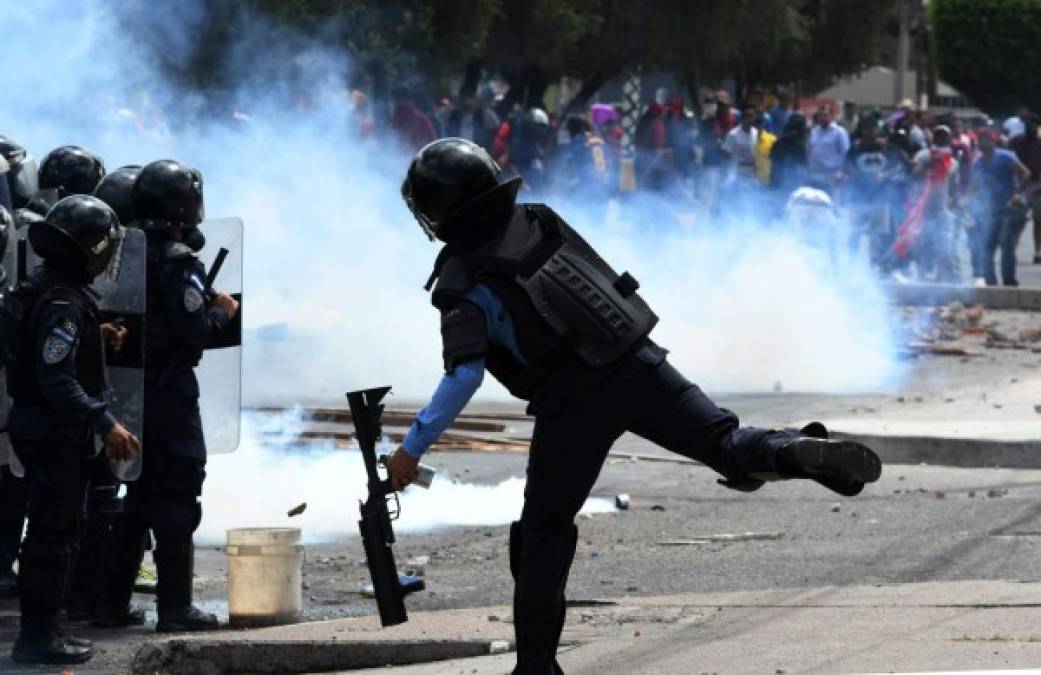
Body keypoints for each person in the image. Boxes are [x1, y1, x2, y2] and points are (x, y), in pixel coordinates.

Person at [394, 137, 883, 675]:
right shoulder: (539, 220)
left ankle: (536, 668)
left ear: (442, 212)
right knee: (724, 441)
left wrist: (411, 449)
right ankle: (792, 451)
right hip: (639, 362)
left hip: (571, 404)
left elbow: (463, 375)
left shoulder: (462, 281)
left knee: (544, 532)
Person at [92, 159, 240, 632]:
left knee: (135, 499)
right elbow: (190, 332)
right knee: (176, 493)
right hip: (169, 392)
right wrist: (226, 314)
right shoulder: (178, 262)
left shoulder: (124, 253)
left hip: (130, 393)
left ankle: (111, 604)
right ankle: (175, 608)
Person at [8, 195, 141, 665]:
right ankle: (39, 637)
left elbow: (45, 351)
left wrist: (94, 337)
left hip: (40, 427)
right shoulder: (64, 301)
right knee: (53, 534)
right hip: (54, 431)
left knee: (53, 531)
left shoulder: (50, 288)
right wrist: (104, 422)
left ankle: (45, 630)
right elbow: (55, 376)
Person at [974, 132, 1032, 286]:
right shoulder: (978, 163)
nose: (983, 144)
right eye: (981, 141)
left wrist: (1017, 194)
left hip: (1011, 207)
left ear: (993, 142)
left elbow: (1025, 173)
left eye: (986, 140)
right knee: (987, 245)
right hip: (993, 208)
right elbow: (976, 186)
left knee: (1006, 244)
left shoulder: (1005, 156)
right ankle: (990, 281)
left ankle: (1009, 280)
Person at [1010, 115, 1041, 263]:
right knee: (1018, 220)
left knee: (1038, 221)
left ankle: (1038, 252)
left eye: (1034, 125)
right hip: (1020, 184)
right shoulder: (1017, 141)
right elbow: (1009, 159)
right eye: (1029, 125)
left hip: (1037, 184)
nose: (1031, 128)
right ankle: (1012, 250)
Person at [807, 107, 850, 194]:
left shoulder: (839, 132)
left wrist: (842, 173)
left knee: (831, 201)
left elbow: (845, 153)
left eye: (825, 115)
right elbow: (810, 149)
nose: (822, 118)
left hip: (832, 173)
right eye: (820, 115)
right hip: (816, 172)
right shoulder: (814, 131)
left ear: (831, 116)